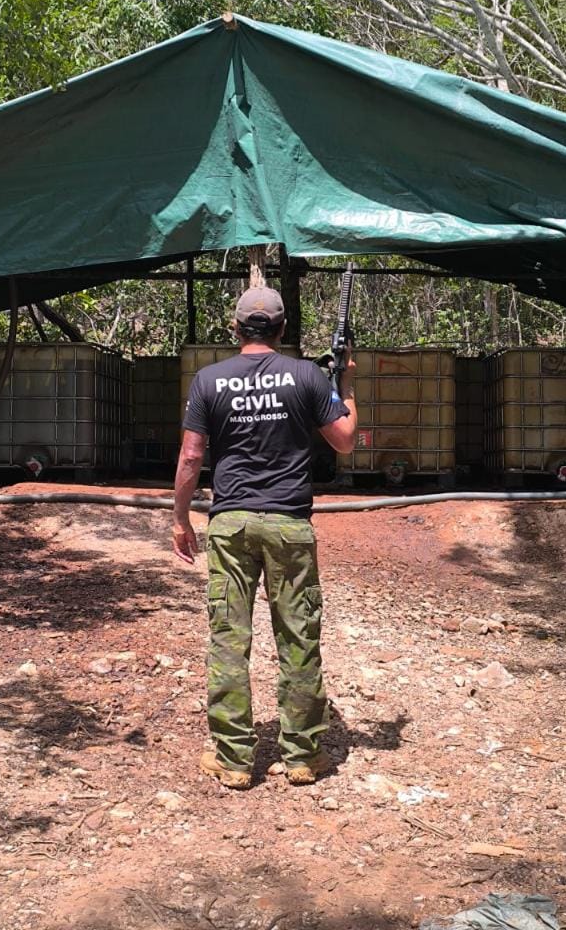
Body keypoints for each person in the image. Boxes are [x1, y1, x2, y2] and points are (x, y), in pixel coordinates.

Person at [172, 286, 357, 789]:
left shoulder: (209, 379)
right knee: (297, 635)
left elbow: (191, 457)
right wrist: (345, 389)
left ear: (235, 329)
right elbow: (344, 441)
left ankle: (233, 759)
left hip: (230, 522)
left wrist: (181, 518)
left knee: (229, 638)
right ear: (281, 329)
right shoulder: (306, 375)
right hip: (288, 524)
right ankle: (301, 756)